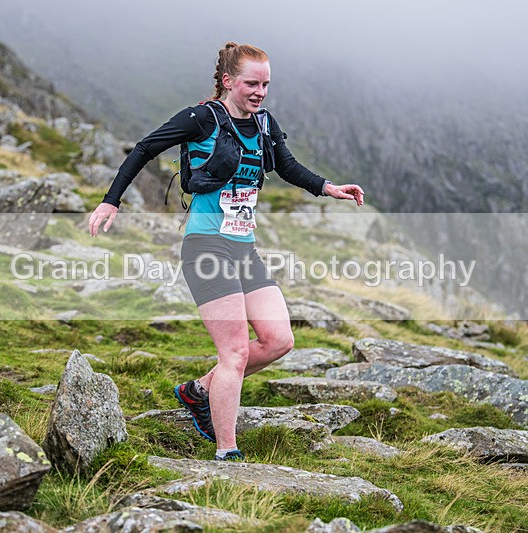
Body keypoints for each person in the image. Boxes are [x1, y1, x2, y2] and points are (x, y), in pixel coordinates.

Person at [88, 42, 364, 462]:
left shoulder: (265, 123)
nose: (260, 92)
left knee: (278, 340)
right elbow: (146, 147)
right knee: (234, 351)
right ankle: (227, 452)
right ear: (227, 81)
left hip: (243, 249)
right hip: (205, 247)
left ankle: (199, 391)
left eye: (266, 84)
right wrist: (112, 200)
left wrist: (329, 188)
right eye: (252, 83)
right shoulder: (201, 118)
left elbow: (287, 167)